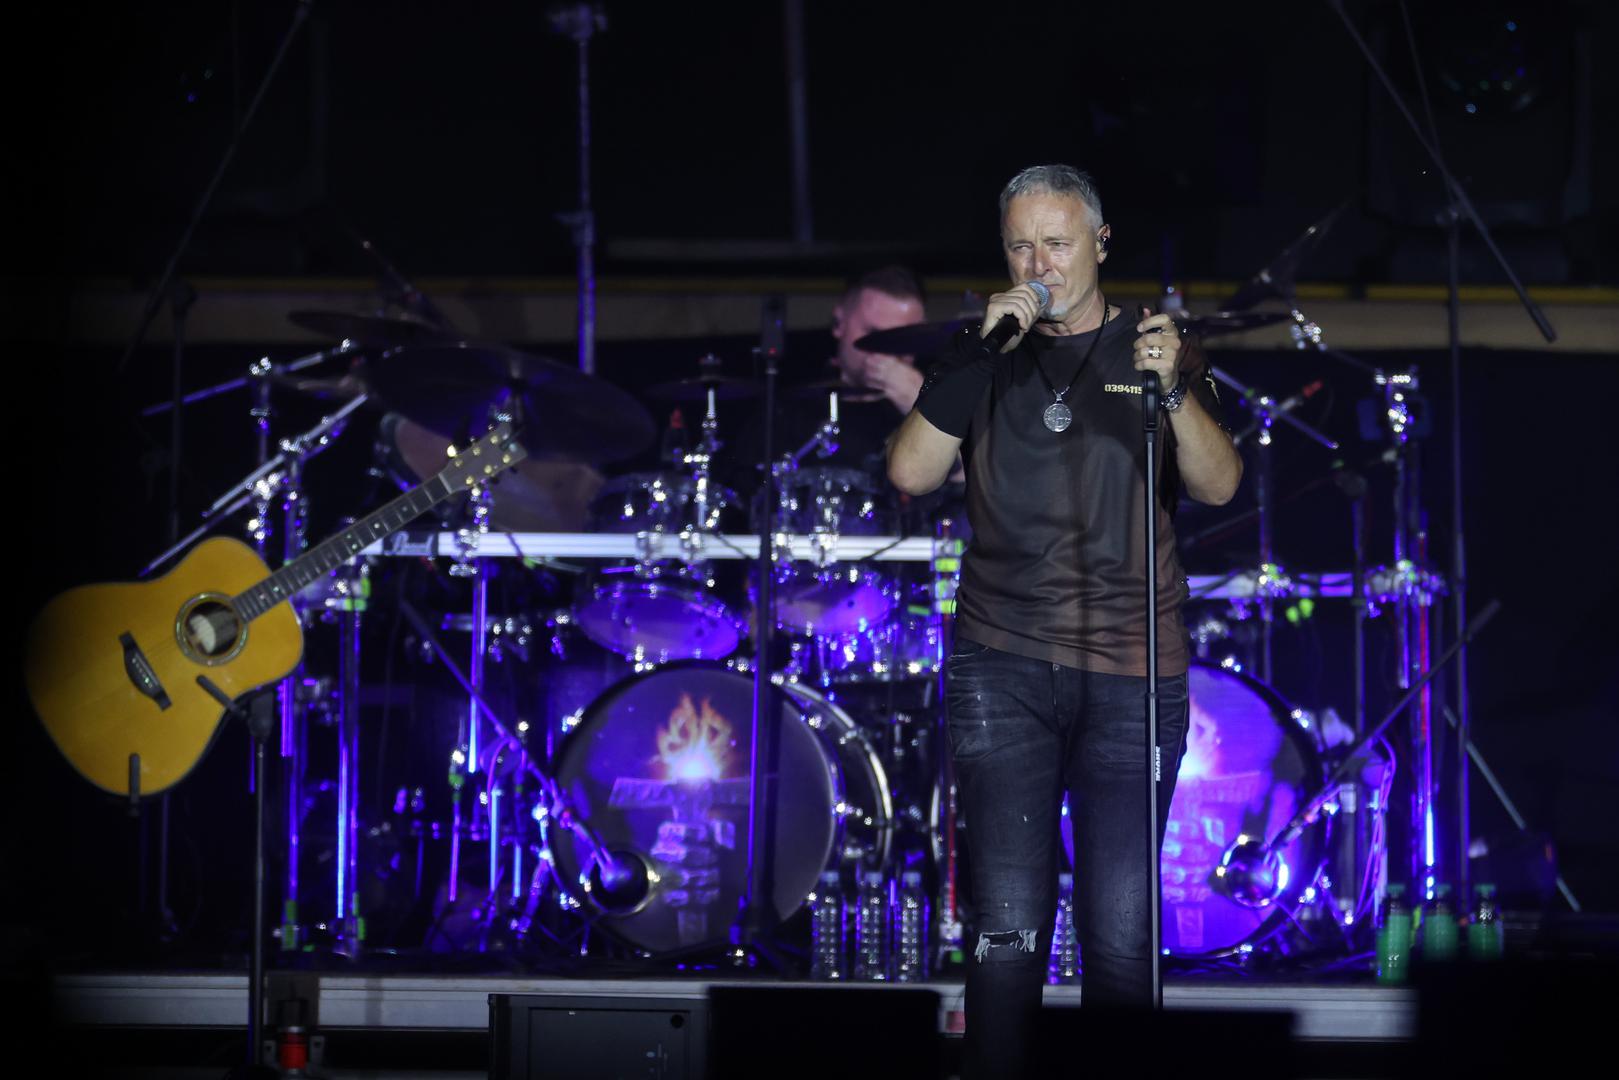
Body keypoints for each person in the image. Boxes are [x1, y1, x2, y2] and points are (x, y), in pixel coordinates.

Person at [887, 164, 1242, 1076]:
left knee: (1120, 932)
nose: (1037, 264)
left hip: (1132, 668)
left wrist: (1171, 389)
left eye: (1056, 243)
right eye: (1020, 246)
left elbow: (1217, 485)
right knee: (1005, 926)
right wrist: (977, 353)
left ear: (1099, 243)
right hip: (1000, 663)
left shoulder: (1154, 346)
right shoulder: (982, 353)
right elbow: (911, 473)